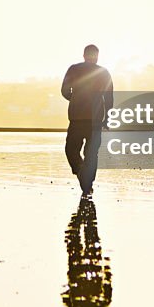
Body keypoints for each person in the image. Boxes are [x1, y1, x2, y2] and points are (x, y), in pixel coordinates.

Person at [61, 44, 113, 196]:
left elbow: (64, 91)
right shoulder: (104, 72)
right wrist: (107, 117)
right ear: (97, 56)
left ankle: (82, 175)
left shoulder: (74, 69)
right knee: (91, 154)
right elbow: (109, 97)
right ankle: (87, 183)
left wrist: (75, 98)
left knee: (71, 150)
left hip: (77, 117)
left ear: (84, 55)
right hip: (96, 119)